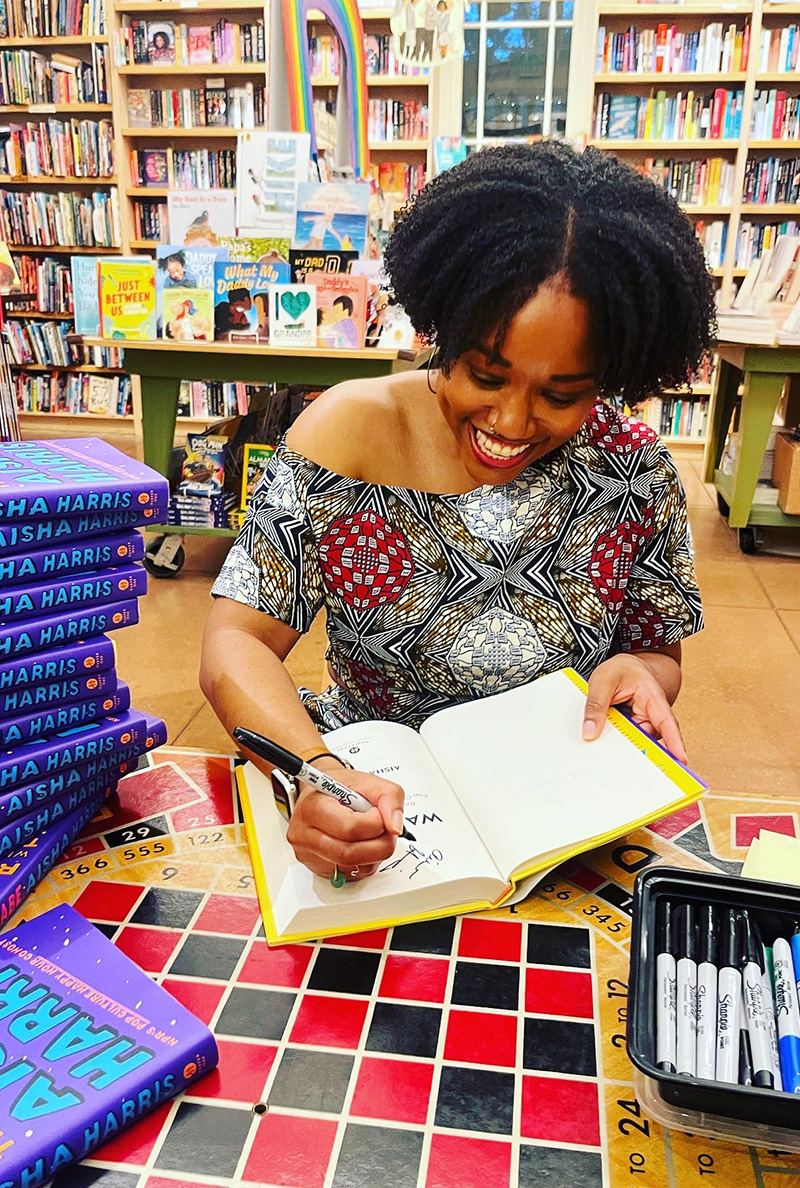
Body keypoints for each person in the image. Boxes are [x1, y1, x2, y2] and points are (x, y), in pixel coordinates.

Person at [202, 142, 713, 882]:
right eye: (485, 373)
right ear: (443, 323)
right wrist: (313, 767)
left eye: (562, 395)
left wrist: (638, 671)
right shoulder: (346, 436)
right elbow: (236, 641)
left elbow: (658, 658)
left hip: (565, 819)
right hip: (370, 808)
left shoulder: (635, 470)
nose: (511, 421)